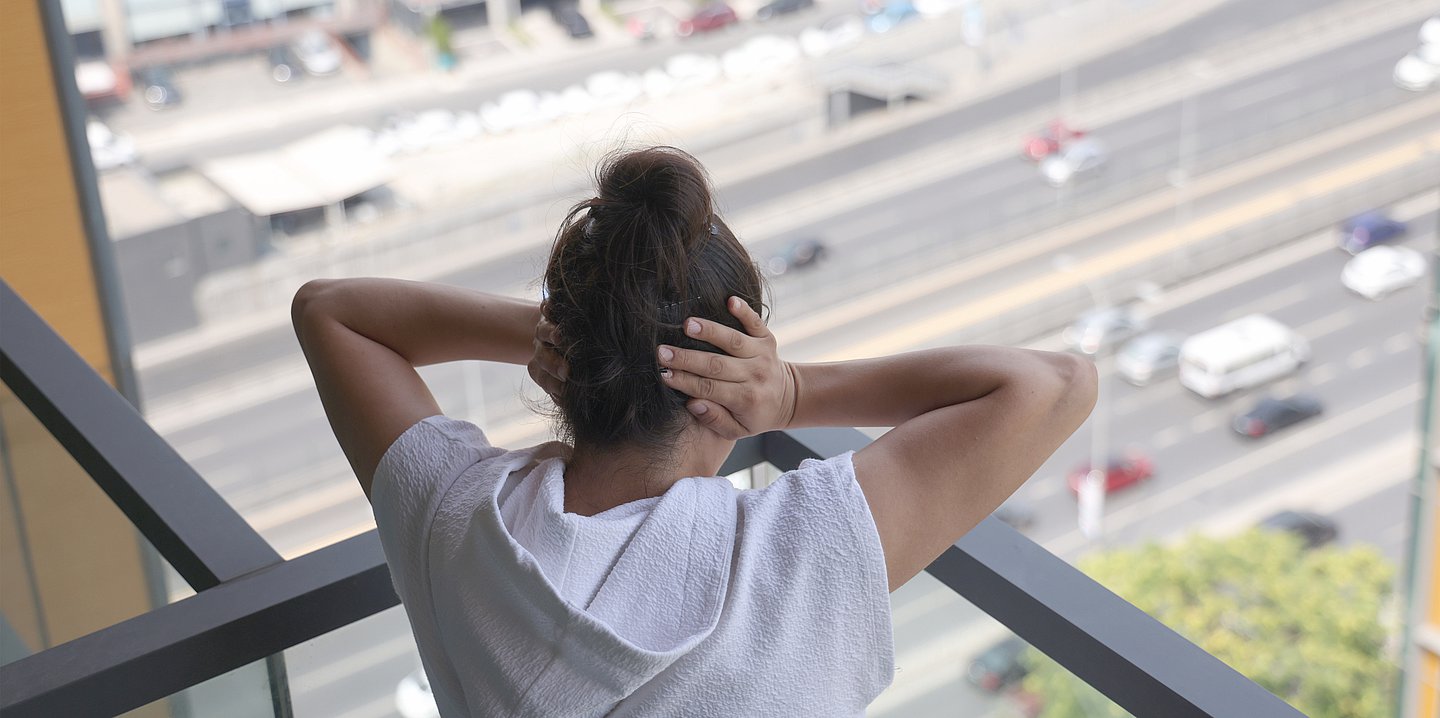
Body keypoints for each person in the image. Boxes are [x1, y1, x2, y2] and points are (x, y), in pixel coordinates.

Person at [292, 146, 1096, 716]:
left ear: (570, 364)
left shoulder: (457, 517)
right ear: (726, 387)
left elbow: (332, 312)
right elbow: (1055, 384)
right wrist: (790, 393)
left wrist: (580, 335)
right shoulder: (796, 557)